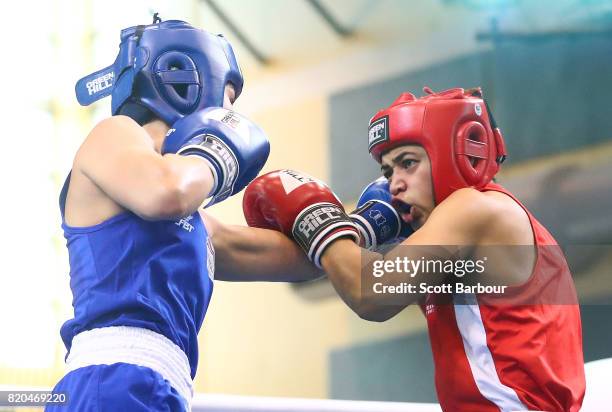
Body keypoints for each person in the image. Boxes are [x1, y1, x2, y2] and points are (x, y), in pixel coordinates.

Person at [243, 87, 586, 411]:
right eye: (388, 171)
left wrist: (316, 219)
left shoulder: (476, 207)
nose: (395, 184)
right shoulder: (441, 233)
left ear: (464, 155)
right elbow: (320, 262)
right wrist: (197, 231)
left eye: (408, 163)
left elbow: (371, 292)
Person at [49, 16, 319, 412]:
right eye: (228, 97)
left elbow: (297, 259)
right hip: (112, 379)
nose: (232, 114)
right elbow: (167, 192)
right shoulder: (115, 134)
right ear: (189, 79)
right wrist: (217, 149)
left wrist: (367, 227)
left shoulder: (192, 224)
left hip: (157, 387)